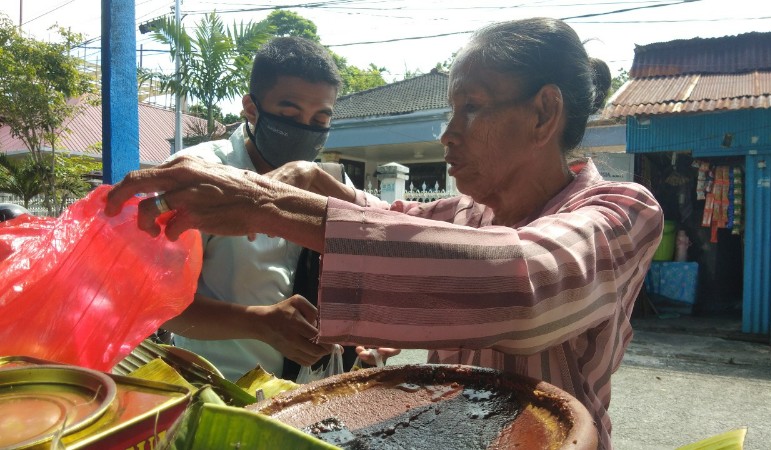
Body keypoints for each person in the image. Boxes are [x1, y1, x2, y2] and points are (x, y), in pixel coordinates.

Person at [106, 17, 663, 449]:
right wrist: (305, 188)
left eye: (470, 108)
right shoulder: (470, 213)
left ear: (544, 113)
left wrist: (265, 204)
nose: (448, 135)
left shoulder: (623, 212)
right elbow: (385, 217)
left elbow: (525, 283)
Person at [156, 36, 358, 382]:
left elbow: (369, 261)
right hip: (221, 395)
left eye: (320, 118)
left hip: (313, 397)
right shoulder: (199, 177)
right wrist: (258, 322)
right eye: (290, 113)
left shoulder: (332, 183)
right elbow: (159, 305)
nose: (305, 128)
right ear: (251, 108)